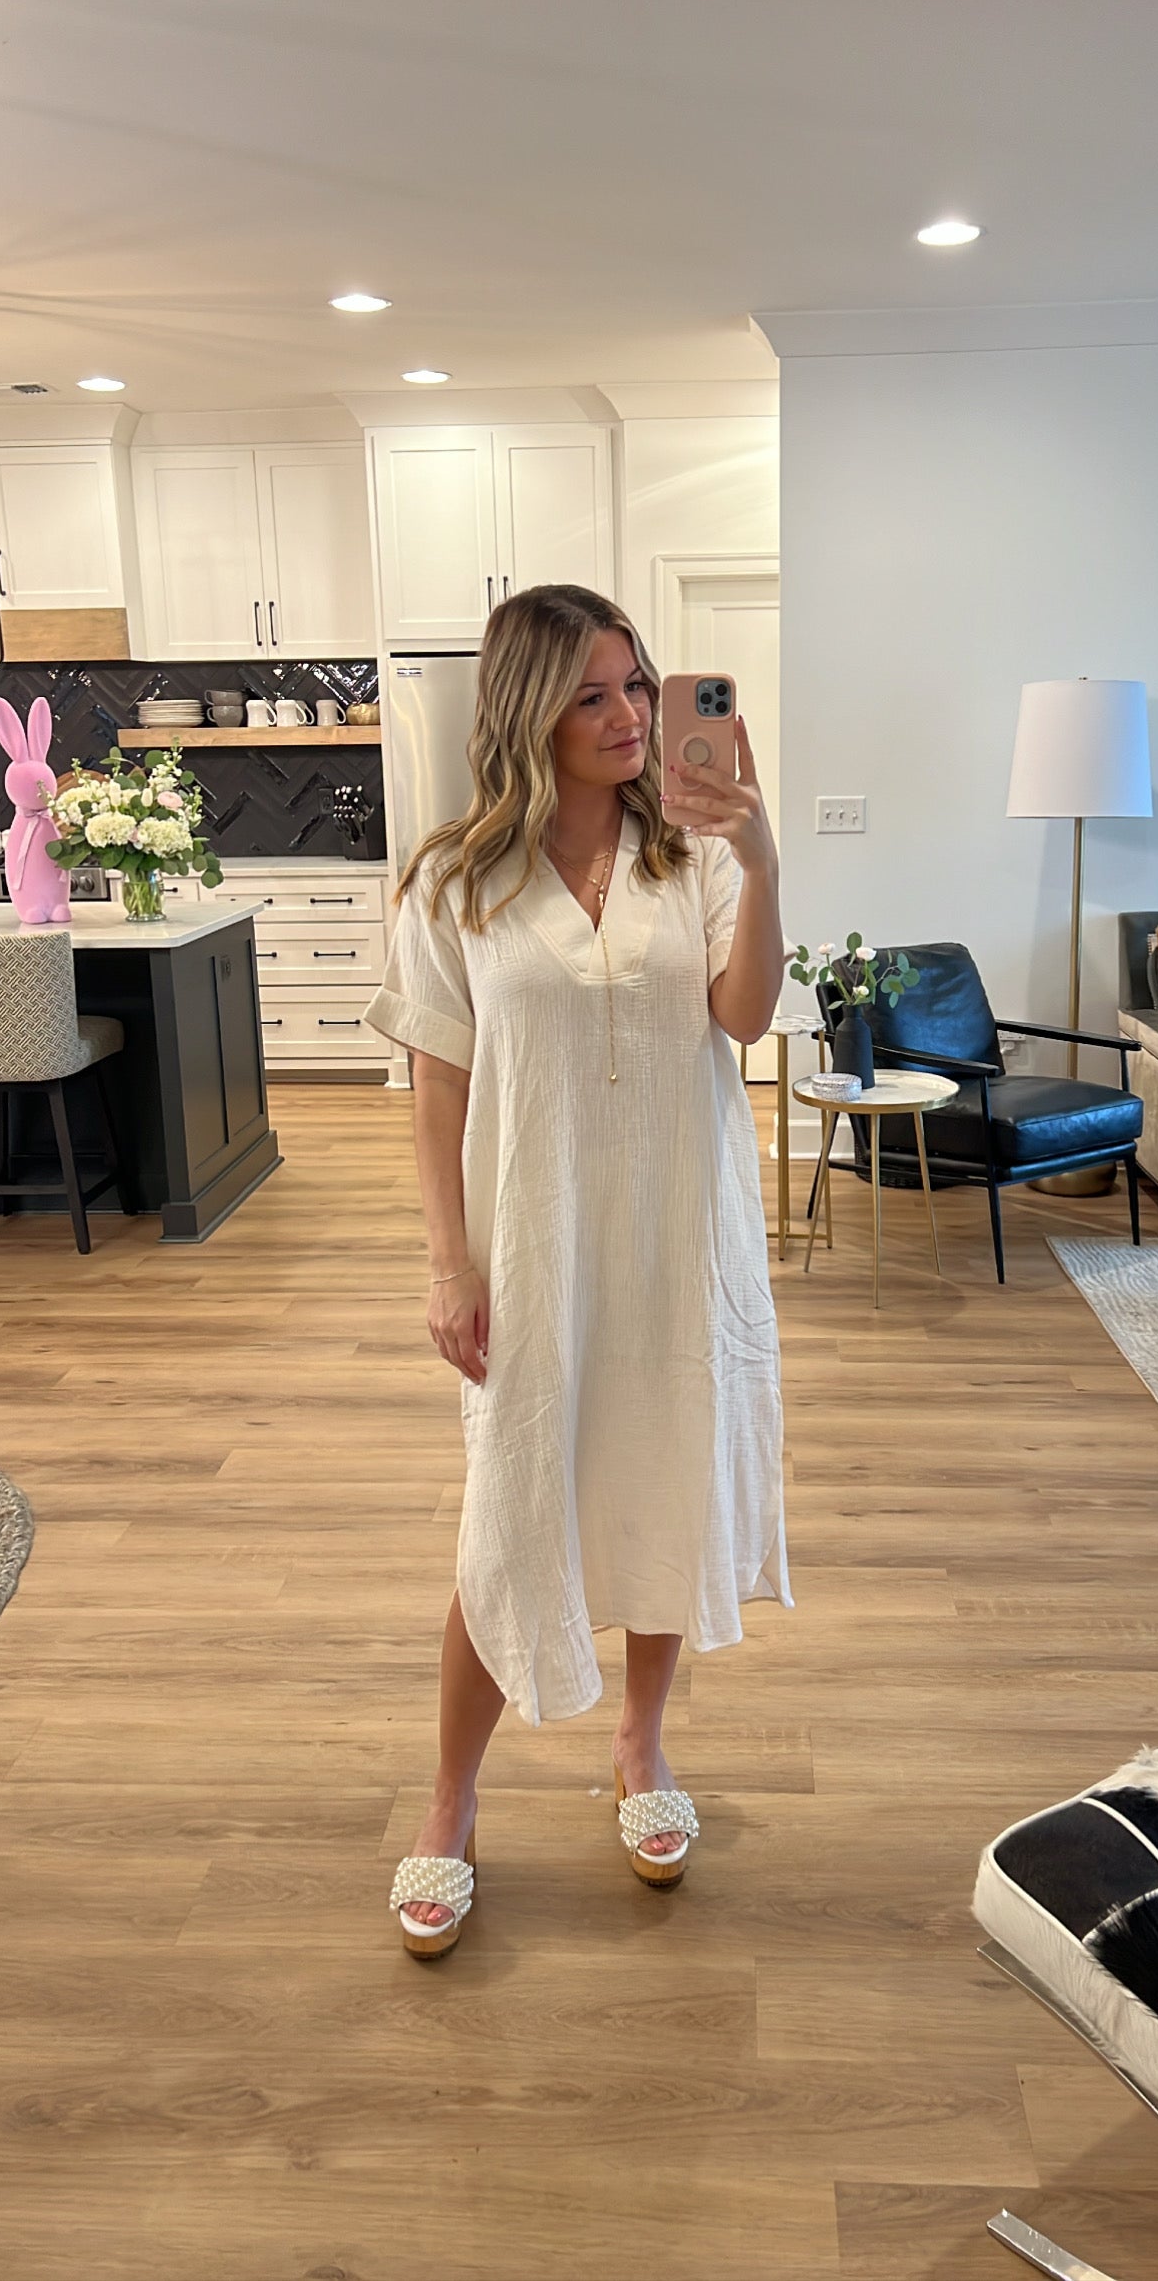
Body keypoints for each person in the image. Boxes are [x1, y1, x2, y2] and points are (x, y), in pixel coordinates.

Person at [362, 583, 792, 1956]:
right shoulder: (454, 882)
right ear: (530, 711)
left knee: (663, 1477)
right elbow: (439, 1087)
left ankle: (641, 1745)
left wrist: (760, 857)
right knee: (510, 1513)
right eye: (593, 693)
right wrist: (447, 1264)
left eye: (639, 686)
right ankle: (450, 1798)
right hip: (533, 1245)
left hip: (678, 1236)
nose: (628, 715)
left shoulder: (695, 856)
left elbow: (745, 1017)